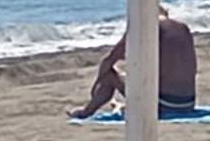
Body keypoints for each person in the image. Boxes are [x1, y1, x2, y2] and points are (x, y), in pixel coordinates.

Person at [70, 7, 198, 118]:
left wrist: (97, 84)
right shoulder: (183, 28)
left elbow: (110, 59)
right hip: (188, 103)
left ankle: (86, 112)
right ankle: (114, 103)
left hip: (163, 104)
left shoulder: (146, 25)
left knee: (110, 74)